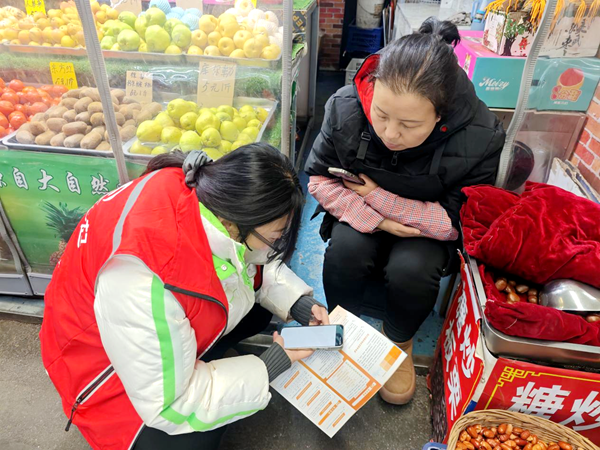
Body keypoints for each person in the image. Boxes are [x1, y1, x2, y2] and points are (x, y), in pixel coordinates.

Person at [40, 145, 329, 450]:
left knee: (256, 312)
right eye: (275, 237)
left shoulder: (201, 191)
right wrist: (269, 366)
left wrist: (296, 301)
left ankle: (201, 362)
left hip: (138, 332)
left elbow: (248, 258)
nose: (277, 246)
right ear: (233, 223)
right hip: (100, 375)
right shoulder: (143, 279)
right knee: (193, 439)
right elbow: (171, 406)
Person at [305, 18, 505, 405]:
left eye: (409, 124)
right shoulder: (345, 106)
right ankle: (341, 327)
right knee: (345, 250)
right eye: (381, 114)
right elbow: (319, 180)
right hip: (360, 211)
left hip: (427, 232)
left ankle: (398, 342)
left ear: (441, 116)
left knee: (412, 269)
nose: (390, 134)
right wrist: (379, 220)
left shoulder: (480, 136)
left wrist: (379, 196)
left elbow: (456, 221)